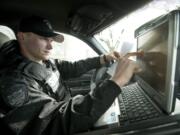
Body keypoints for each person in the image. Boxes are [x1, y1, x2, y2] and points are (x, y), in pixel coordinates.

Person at [0, 15, 139, 135]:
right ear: (22, 37)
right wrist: (116, 82)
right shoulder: (14, 82)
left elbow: (73, 67)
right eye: (43, 38)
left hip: (67, 110)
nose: (50, 46)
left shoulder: (44, 61)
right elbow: (53, 122)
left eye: (51, 40)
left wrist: (104, 58)